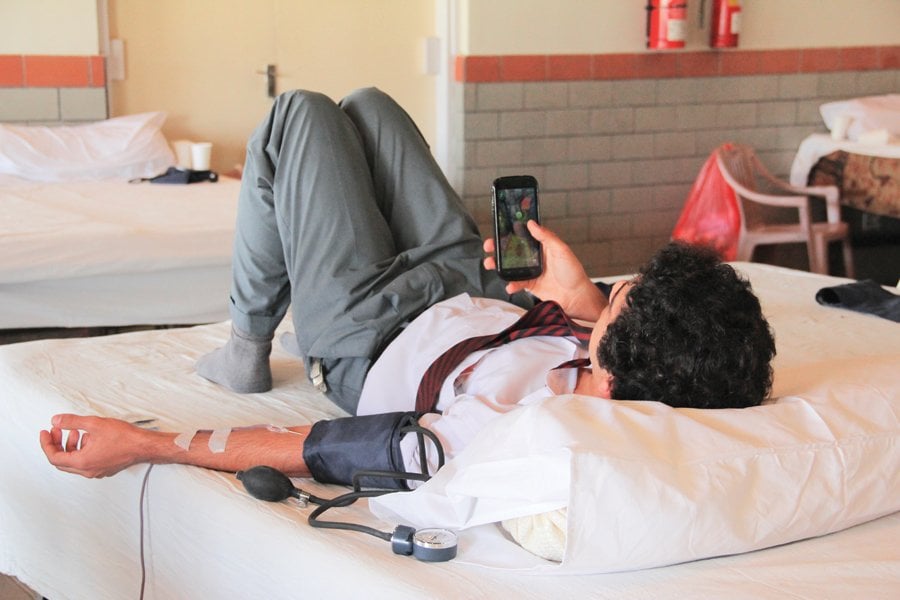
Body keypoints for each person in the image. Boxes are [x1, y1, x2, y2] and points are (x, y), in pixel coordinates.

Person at [40, 88, 776, 485]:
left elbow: (316, 446)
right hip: (473, 287)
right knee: (369, 107)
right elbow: (629, 342)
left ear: (612, 380)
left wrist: (147, 444)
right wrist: (584, 300)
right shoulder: (665, 373)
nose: (612, 298)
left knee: (301, 116)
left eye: (617, 303)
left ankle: (247, 341)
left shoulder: (515, 434)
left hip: (369, 329)